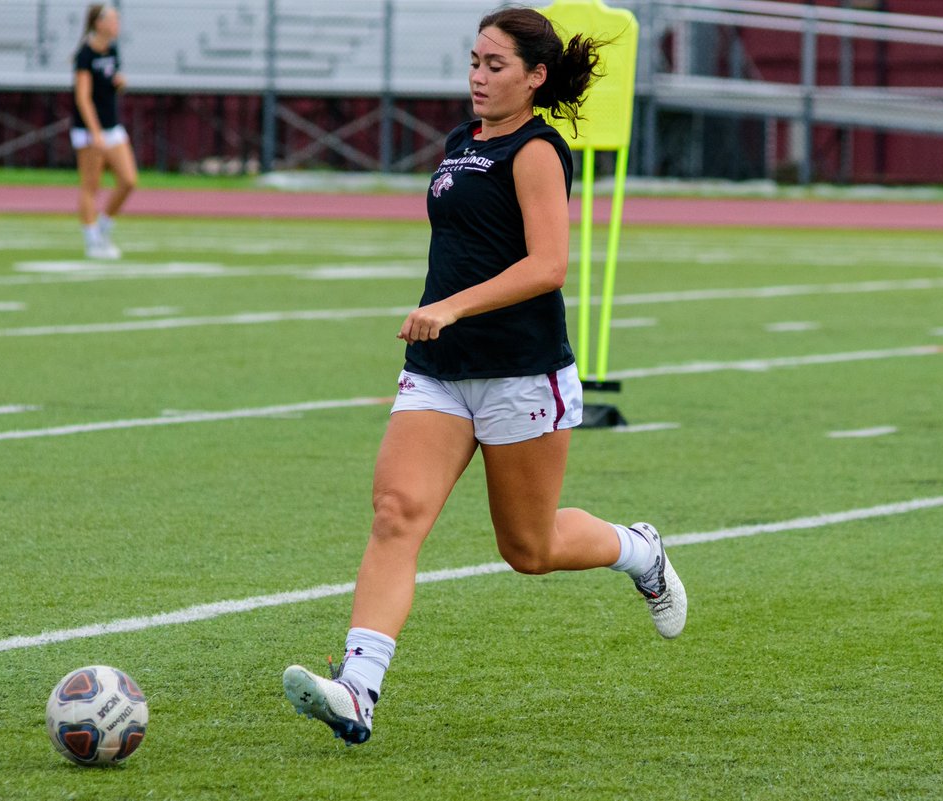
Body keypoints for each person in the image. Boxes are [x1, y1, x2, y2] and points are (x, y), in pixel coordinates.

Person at [282, 7, 686, 745]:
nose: (478, 75)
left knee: (529, 549)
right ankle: (358, 690)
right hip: (439, 372)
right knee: (396, 513)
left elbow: (549, 265)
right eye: (474, 61)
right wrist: (444, 314)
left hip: (520, 373)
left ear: (534, 77)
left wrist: (452, 306)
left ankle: (640, 551)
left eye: (495, 65)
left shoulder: (538, 150)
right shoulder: (460, 142)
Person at [70, 3, 137, 259]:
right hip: (90, 130)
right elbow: (83, 97)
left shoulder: (112, 49)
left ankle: (104, 227)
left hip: (112, 126)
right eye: (113, 19)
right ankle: (92, 241)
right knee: (91, 185)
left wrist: (119, 83)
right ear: (99, 23)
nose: (117, 24)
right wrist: (95, 131)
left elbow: (109, 85)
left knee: (128, 181)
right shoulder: (85, 55)